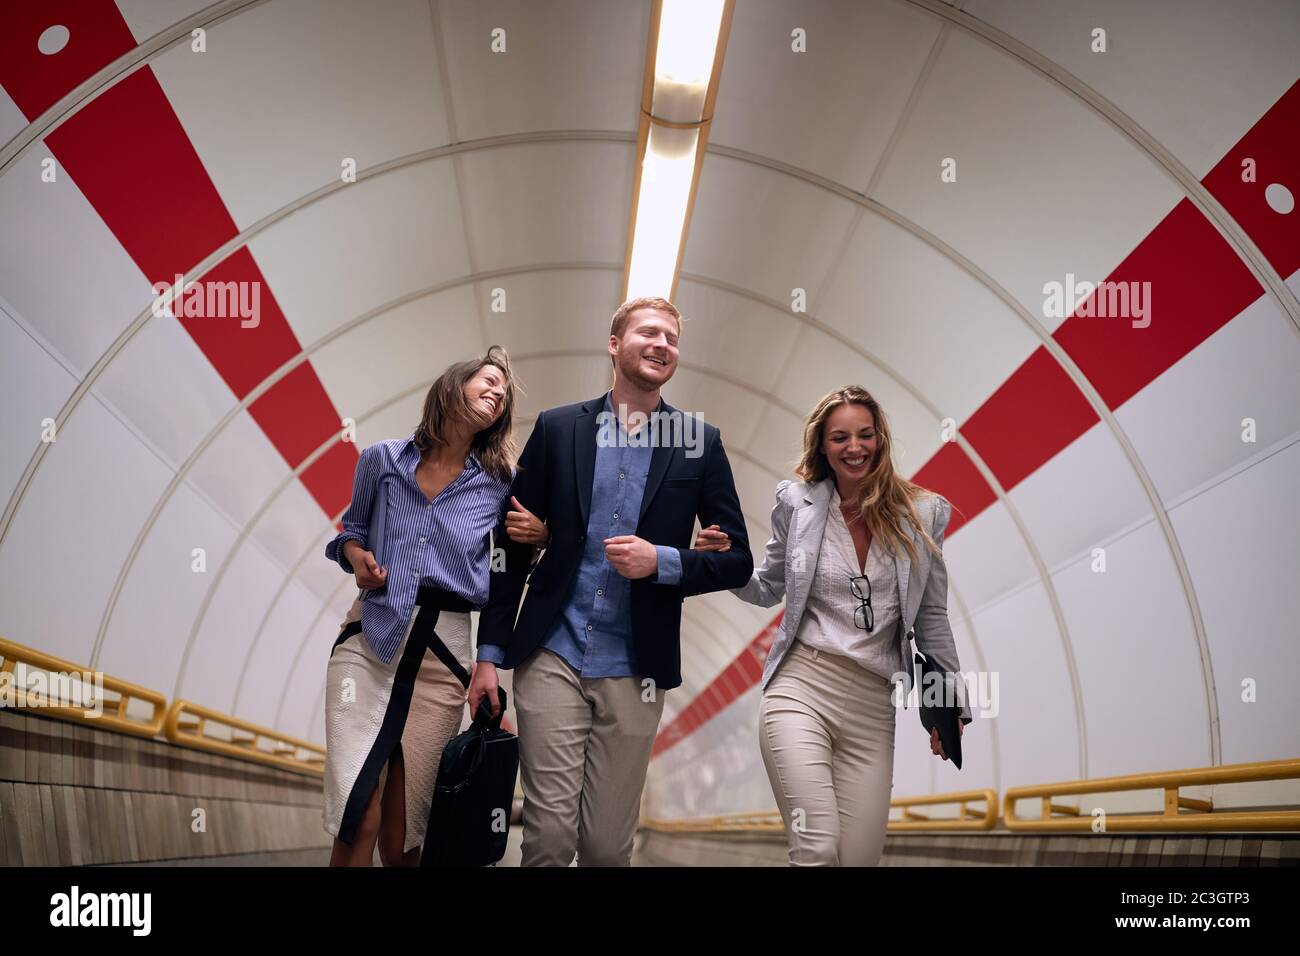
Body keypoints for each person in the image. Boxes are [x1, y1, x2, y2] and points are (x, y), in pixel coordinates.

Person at [467, 296, 753, 866]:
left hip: (637, 667)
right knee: (549, 837)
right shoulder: (558, 428)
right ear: (615, 345)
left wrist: (664, 561)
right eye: (649, 333)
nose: (663, 344)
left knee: (604, 846)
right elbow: (512, 545)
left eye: (672, 338)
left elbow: (737, 560)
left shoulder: (700, 442)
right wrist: (489, 655)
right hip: (552, 651)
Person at [696, 385, 971, 866]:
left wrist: (950, 704)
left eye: (865, 435)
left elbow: (931, 617)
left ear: (880, 440)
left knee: (858, 860)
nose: (854, 447)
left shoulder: (923, 514)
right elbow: (767, 588)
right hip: (802, 687)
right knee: (817, 846)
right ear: (823, 445)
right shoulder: (797, 506)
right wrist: (725, 567)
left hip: (873, 704)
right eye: (840, 437)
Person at [321, 346, 548, 866]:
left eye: (503, 393)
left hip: (444, 654)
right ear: (452, 386)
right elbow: (351, 533)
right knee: (360, 810)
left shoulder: (499, 486)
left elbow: (510, 571)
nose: (496, 393)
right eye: (486, 381)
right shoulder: (381, 460)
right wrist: (357, 557)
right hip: (370, 639)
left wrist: (545, 533)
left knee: (405, 836)